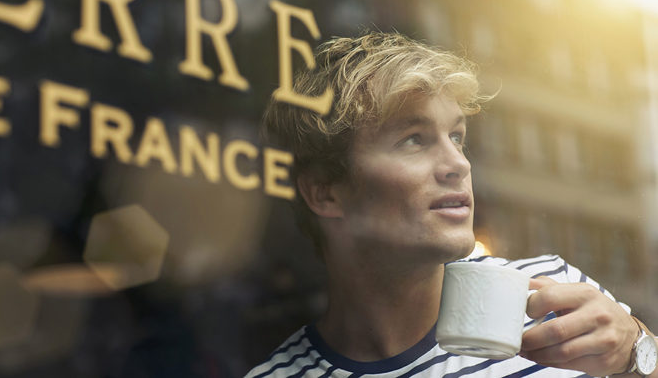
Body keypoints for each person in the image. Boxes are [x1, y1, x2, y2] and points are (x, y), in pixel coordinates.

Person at [246, 32, 657, 377]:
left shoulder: (555, 296)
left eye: (456, 137)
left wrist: (636, 353)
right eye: (414, 139)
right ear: (325, 191)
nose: (457, 164)